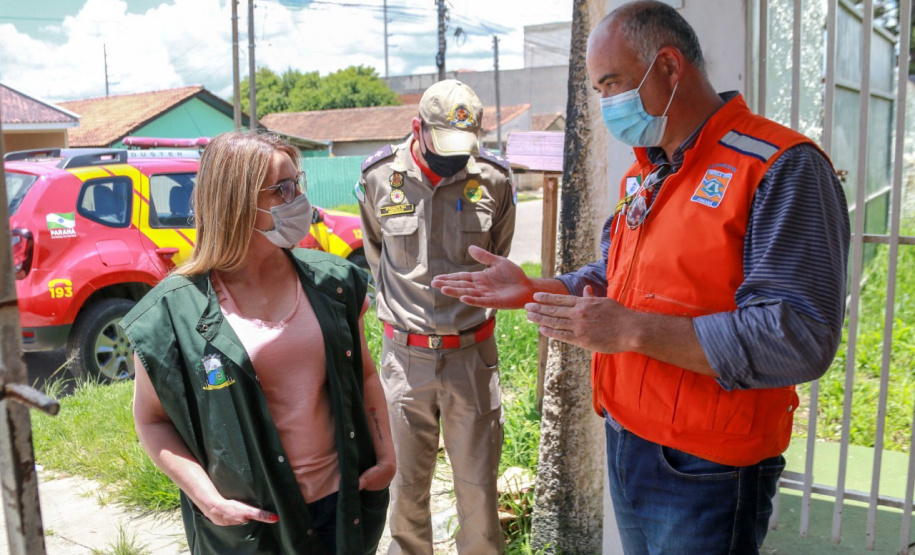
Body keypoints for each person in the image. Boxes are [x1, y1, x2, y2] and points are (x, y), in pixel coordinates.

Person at [432, 2, 850, 553]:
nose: (607, 104)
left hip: (709, 467)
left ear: (671, 69)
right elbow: (613, 277)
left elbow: (797, 334)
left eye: (613, 84)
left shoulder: (778, 167)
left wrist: (633, 332)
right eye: (599, 90)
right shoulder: (648, 170)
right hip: (629, 438)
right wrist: (536, 289)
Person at [124, 131, 395, 554]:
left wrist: (386, 457)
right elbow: (152, 421)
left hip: (343, 506)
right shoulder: (170, 313)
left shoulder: (334, 283)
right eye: (282, 189)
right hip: (253, 523)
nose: (298, 199)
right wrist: (208, 500)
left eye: (297, 184)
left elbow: (365, 374)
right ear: (236, 202)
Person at [356, 79, 516, 554]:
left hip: (471, 357)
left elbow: (499, 259)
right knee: (404, 494)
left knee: (479, 497)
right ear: (417, 128)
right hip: (404, 361)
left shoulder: (494, 180)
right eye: (444, 144)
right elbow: (376, 255)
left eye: (464, 146)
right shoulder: (380, 177)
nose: (455, 157)